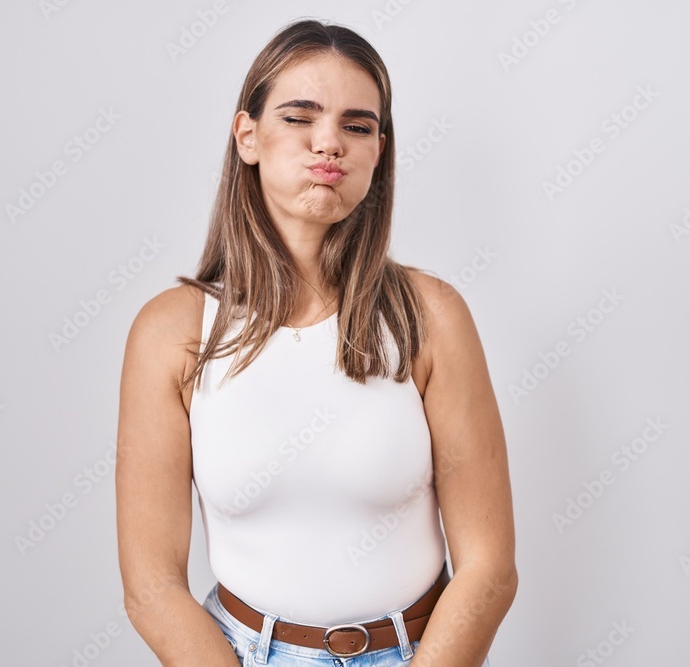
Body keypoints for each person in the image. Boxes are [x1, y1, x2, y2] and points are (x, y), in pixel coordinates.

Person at [115, 18, 517, 666]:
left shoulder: (431, 317)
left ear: (377, 151)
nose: (328, 142)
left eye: (357, 126)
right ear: (247, 135)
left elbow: (490, 567)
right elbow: (151, 586)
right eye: (299, 117)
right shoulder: (174, 332)